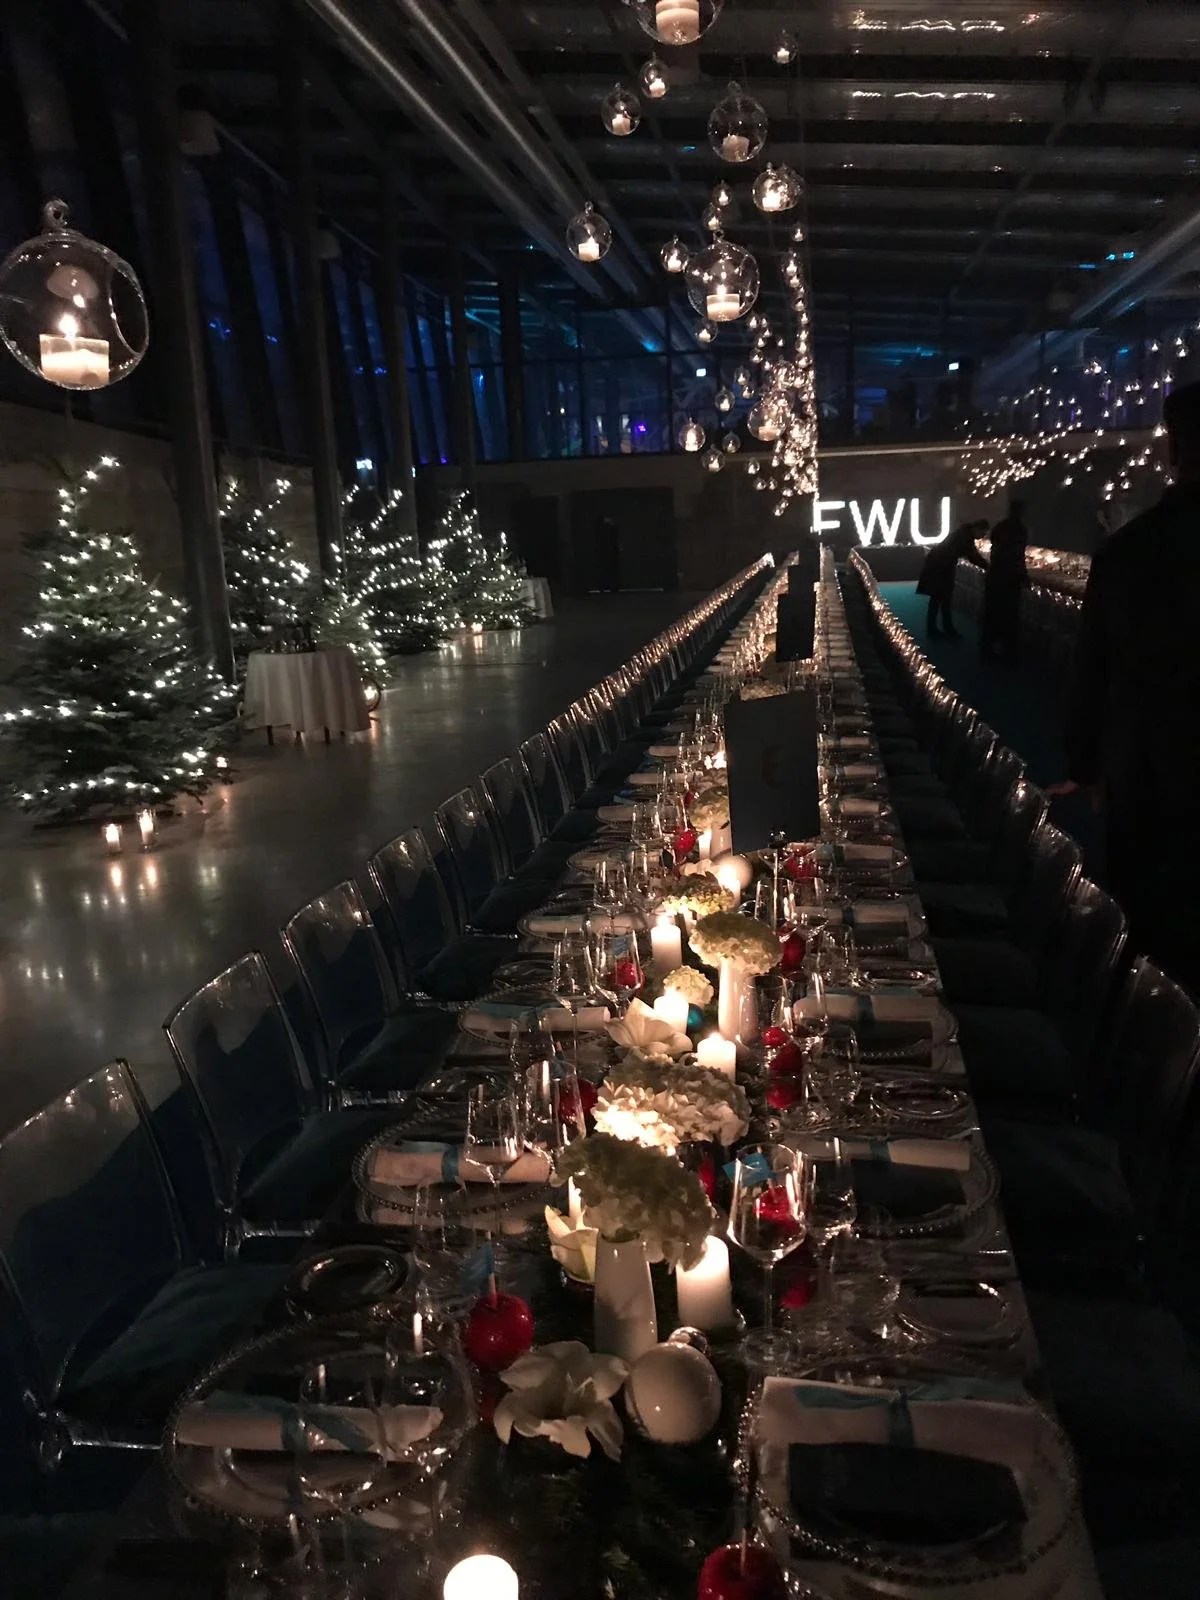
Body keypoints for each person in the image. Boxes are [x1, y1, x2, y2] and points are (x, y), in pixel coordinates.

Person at [1051, 380, 1200, 996]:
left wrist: (1086, 766)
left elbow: (1091, 670)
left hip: (1146, 772)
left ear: (1172, 451)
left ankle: (1156, 1068)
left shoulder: (1129, 552)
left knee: (1152, 936)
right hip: (1149, 767)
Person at [915, 519, 988, 639]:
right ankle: (945, 630)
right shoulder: (966, 536)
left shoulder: (964, 532)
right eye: (983, 533)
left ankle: (935, 629)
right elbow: (972, 556)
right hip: (941, 565)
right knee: (943, 598)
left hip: (939, 563)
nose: (982, 537)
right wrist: (988, 566)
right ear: (977, 528)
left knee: (938, 598)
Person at [980, 500, 1030, 664]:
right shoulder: (1020, 530)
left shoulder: (1000, 527)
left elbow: (995, 549)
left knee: (992, 614)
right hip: (1009, 579)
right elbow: (1018, 557)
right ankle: (1008, 654)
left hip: (995, 575)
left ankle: (987, 651)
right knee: (1009, 616)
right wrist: (1024, 576)